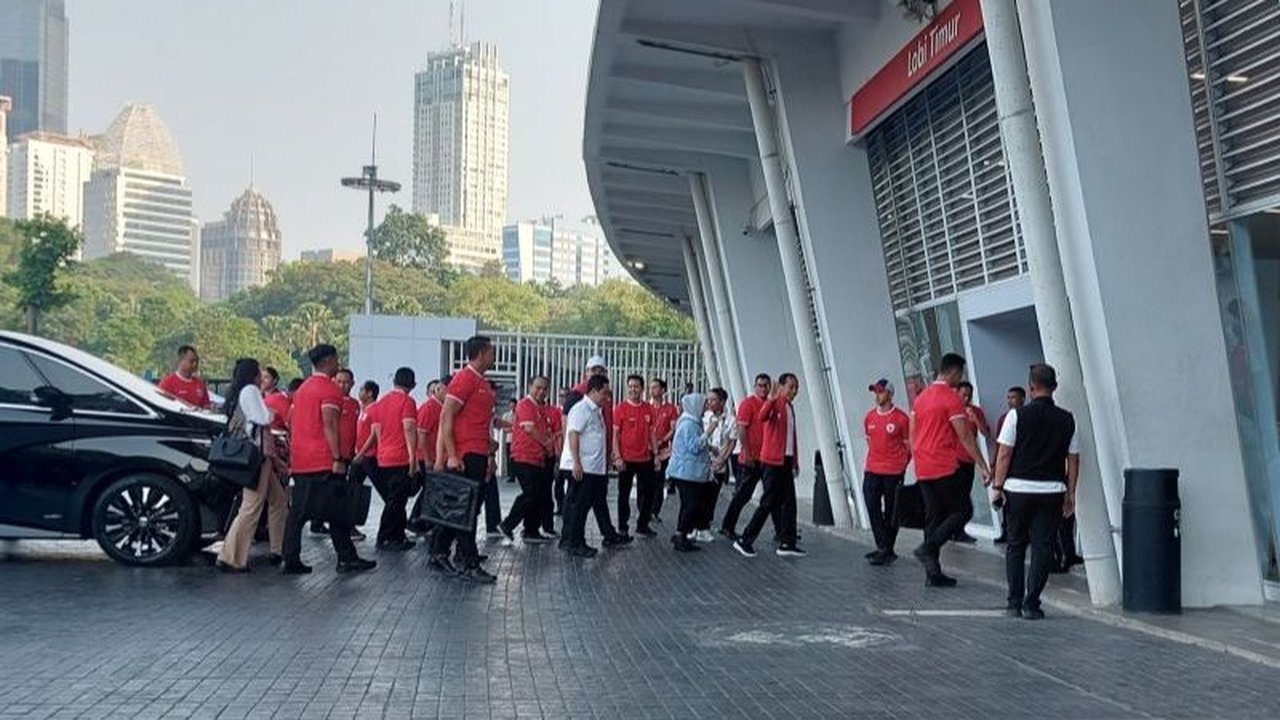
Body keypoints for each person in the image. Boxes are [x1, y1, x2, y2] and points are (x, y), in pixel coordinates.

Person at [989, 363, 1079, 620]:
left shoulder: (1016, 417)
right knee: (1042, 547)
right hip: (1052, 491)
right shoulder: (1067, 419)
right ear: (1055, 387)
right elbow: (1073, 459)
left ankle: (1013, 602)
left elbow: (1004, 453)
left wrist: (998, 486)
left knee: (1016, 545)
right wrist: (1070, 493)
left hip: (1017, 489)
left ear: (1030, 388)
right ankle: (1032, 603)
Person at [280, 344, 376, 575]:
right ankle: (346, 557)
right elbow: (330, 424)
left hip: (302, 458)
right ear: (329, 360)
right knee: (338, 507)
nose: (338, 363)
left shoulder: (302, 389)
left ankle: (291, 557)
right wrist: (337, 457)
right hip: (323, 459)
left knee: (299, 512)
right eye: (336, 359)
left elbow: (292, 422)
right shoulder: (329, 391)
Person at [910, 353, 990, 587]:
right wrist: (983, 465)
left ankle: (932, 574)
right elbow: (964, 435)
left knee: (933, 518)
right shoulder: (951, 399)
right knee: (962, 510)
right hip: (943, 464)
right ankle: (928, 548)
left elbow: (913, 433)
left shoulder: (921, 398)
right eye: (961, 374)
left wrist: (917, 458)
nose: (961, 379)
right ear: (954, 372)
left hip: (924, 466)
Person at [432, 336, 500, 583]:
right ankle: (468, 562)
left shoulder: (481, 382)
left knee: (463, 509)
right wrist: (450, 455)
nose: (494, 356)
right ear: (481, 353)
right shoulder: (464, 378)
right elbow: (446, 416)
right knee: (465, 509)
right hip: (465, 455)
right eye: (491, 352)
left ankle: (439, 552)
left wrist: (490, 451)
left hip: (478, 452)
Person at [216, 358, 288, 572]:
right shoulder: (250, 391)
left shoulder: (238, 392)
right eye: (259, 373)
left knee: (278, 500)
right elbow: (263, 418)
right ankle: (231, 557)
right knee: (252, 506)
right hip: (257, 456)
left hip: (255, 455)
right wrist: (272, 414)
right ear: (252, 375)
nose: (261, 377)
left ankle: (278, 548)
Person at [733, 373, 806, 558]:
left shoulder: (790, 407)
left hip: (785, 461)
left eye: (796, 387)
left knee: (789, 503)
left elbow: (792, 437)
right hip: (772, 462)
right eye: (791, 387)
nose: (794, 391)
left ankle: (787, 542)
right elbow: (763, 415)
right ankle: (745, 540)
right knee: (768, 502)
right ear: (780, 386)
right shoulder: (775, 403)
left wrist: (795, 460)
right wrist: (772, 399)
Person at [357, 367, 418, 551]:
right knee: (395, 501)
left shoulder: (380, 404)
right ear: (412, 384)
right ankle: (385, 537)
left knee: (395, 499)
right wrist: (413, 457)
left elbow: (376, 432)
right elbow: (408, 428)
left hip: (383, 458)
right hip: (400, 458)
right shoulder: (407, 402)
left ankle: (397, 536)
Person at [559, 374, 612, 557]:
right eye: (604, 393)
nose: (607, 398)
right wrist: (576, 463)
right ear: (593, 391)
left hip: (592, 468)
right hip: (582, 467)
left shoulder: (595, 411)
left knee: (583, 505)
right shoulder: (581, 409)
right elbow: (573, 434)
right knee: (578, 507)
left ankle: (572, 540)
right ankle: (574, 543)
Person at [499, 376, 556, 545]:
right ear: (529, 386)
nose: (541, 392)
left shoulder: (541, 408)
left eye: (545, 389)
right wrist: (547, 444)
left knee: (537, 494)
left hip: (536, 458)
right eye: (538, 387)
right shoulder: (525, 404)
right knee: (531, 493)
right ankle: (508, 524)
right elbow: (529, 428)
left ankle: (531, 530)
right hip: (523, 456)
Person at [862, 379, 911, 566]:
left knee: (892, 511)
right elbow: (870, 441)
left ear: (889, 394)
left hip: (893, 471)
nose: (877, 396)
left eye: (881, 392)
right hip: (873, 469)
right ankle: (883, 545)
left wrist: (901, 465)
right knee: (872, 505)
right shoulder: (869, 417)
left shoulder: (901, 418)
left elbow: (908, 446)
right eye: (875, 392)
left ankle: (887, 548)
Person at [720, 374, 772, 539]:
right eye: (760, 385)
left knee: (773, 495)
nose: (763, 389)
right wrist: (748, 453)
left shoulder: (770, 405)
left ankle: (782, 532)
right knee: (743, 494)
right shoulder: (748, 404)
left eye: (766, 385)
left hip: (766, 458)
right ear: (755, 387)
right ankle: (727, 526)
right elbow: (742, 430)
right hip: (750, 459)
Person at [669, 393, 717, 552]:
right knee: (691, 505)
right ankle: (681, 534)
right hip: (687, 473)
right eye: (704, 405)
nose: (706, 408)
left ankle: (681, 533)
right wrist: (708, 433)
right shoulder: (689, 424)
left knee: (687, 505)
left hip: (687, 473)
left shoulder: (690, 422)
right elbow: (694, 447)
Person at [612, 374, 659, 537]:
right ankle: (623, 528)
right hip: (626, 459)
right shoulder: (620, 408)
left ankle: (643, 525)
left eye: (636, 386)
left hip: (645, 458)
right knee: (623, 494)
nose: (633, 389)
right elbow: (615, 435)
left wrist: (656, 455)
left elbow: (652, 434)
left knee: (649, 493)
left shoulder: (648, 408)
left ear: (642, 389)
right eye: (630, 386)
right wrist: (617, 457)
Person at [953, 381, 994, 544]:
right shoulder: (953, 412)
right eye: (963, 394)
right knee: (956, 496)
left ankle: (959, 529)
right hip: (954, 459)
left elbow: (985, 433)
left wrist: (975, 419)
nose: (966, 398)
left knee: (964, 494)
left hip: (969, 458)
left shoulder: (975, 411)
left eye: (969, 395)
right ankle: (955, 529)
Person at [698, 387, 737, 542]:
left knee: (712, 496)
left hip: (719, 463)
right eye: (708, 399)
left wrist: (722, 459)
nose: (709, 403)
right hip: (703, 461)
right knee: (700, 495)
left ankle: (705, 524)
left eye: (713, 400)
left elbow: (731, 442)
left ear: (722, 402)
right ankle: (698, 525)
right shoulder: (705, 417)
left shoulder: (730, 420)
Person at [409, 378, 445, 534]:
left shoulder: (440, 407)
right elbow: (421, 434)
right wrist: (428, 458)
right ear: (440, 389)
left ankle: (420, 522)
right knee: (430, 490)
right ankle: (416, 521)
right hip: (426, 457)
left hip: (433, 456)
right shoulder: (429, 407)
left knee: (430, 490)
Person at [336, 369, 367, 542]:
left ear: (352, 383)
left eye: (346, 382)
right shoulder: (332, 401)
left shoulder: (355, 405)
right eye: (339, 382)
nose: (342, 385)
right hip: (335, 455)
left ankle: (346, 525)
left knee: (347, 490)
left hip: (350, 455)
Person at [993, 386, 1027, 544]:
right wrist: (995, 464)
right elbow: (1000, 446)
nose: (1010, 401)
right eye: (1008, 397)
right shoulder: (1003, 419)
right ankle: (1006, 531)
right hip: (1008, 465)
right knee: (1006, 502)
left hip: (1021, 465)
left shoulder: (1025, 417)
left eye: (1013, 397)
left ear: (1022, 399)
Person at [649, 378, 680, 520]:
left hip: (663, 451)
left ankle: (655, 511)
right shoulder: (646, 407)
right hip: (647, 450)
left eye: (656, 387)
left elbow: (673, 429)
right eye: (651, 387)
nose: (653, 390)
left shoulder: (671, 409)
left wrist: (663, 440)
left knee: (658, 481)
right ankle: (644, 509)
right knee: (645, 481)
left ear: (663, 390)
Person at [542, 389, 566, 537]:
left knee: (559, 482)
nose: (563, 398)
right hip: (548, 454)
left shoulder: (559, 413)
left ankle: (561, 506)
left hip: (561, 454)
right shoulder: (553, 411)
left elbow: (560, 434)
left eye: (566, 395)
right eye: (561, 395)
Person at [158, 345, 211, 409]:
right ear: (181, 360)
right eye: (192, 361)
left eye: (197, 361)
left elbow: (207, 406)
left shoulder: (200, 383)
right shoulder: (167, 383)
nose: (195, 364)